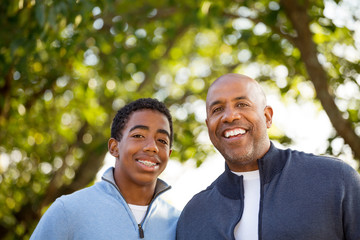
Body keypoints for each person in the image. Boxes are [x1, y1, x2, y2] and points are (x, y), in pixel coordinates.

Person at [176, 73, 360, 240]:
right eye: (217, 109)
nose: (229, 116)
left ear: (267, 117)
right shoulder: (193, 215)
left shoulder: (334, 180)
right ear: (208, 125)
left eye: (242, 104)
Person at [31, 98, 180, 240]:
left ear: (169, 153)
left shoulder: (178, 222)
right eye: (139, 135)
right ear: (114, 148)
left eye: (162, 141)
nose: (152, 147)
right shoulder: (68, 211)